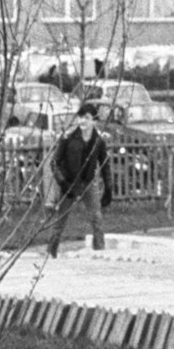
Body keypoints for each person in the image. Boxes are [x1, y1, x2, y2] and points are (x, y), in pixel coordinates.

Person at [48, 102, 111, 256]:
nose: (82, 121)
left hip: (88, 183)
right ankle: (51, 254)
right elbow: (54, 163)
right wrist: (62, 182)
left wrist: (109, 188)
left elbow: (105, 164)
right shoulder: (68, 138)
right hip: (69, 183)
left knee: (96, 218)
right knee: (60, 221)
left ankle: (100, 252)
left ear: (94, 121)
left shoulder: (98, 141)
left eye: (87, 118)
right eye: (80, 117)